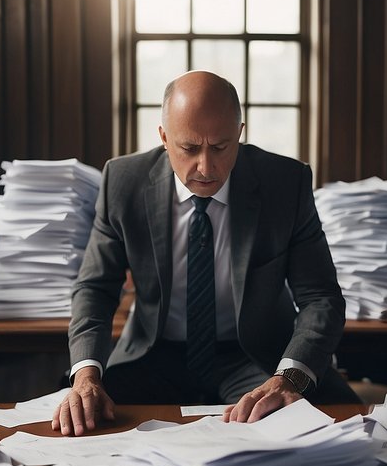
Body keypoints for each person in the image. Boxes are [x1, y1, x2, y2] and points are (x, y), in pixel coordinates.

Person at [52, 70, 358, 436]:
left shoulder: (285, 183)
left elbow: (321, 297)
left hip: (254, 357)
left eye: (220, 147)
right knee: (85, 427)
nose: (206, 167)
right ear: (164, 138)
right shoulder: (124, 182)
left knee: (317, 433)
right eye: (189, 148)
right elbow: (95, 289)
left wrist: (288, 377)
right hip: (152, 357)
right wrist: (86, 376)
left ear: (240, 134)